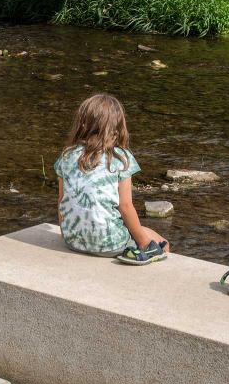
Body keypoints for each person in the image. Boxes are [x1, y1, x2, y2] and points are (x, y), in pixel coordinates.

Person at [55, 93, 170, 264]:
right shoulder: (121, 158)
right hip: (110, 245)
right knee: (162, 243)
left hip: (72, 241)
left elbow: (61, 200)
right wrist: (145, 243)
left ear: (82, 124)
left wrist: (67, 235)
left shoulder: (67, 156)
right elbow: (125, 206)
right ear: (117, 127)